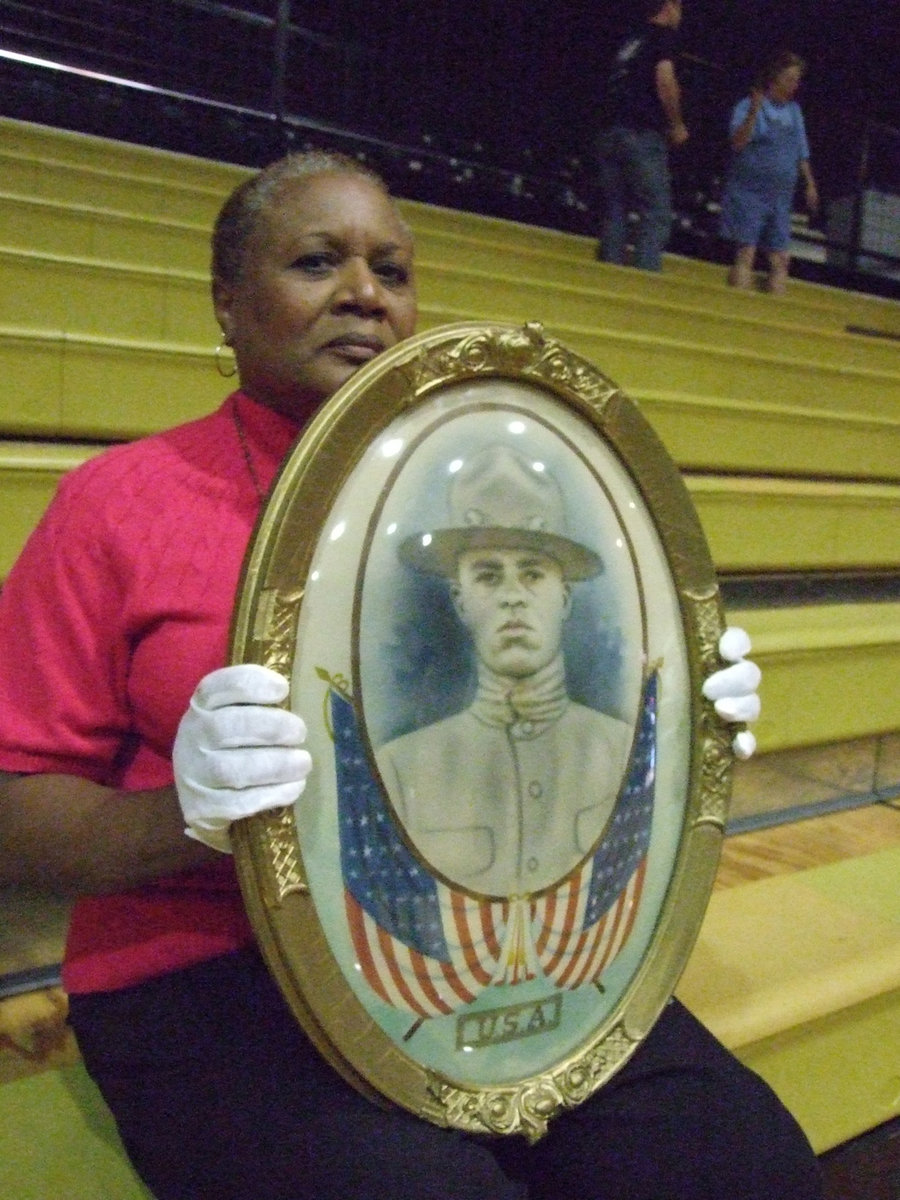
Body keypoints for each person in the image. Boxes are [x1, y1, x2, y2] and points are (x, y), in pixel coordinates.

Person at [0, 151, 823, 1199]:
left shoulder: (486, 509)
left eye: (392, 270)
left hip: (506, 962)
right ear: (226, 302)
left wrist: (673, 721)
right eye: (315, 262)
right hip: (206, 969)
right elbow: (12, 817)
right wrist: (190, 815)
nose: (364, 294)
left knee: (742, 1165)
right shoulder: (118, 503)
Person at [377, 444, 632, 896]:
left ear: (565, 598)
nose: (513, 597)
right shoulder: (399, 768)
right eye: (489, 577)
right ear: (460, 600)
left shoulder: (622, 749)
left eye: (532, 574)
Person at [595, 0, 689, 271]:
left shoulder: (632, 38)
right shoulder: (664, 37)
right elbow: (665, 81)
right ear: (669, 7)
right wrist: (676, 124)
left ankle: (608, 277)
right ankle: (642, 283)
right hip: (641, 132)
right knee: (656, 212)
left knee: (616, 210)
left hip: (610, 129)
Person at [719, 51, 819, 293]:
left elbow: (801, 151)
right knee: (747, 253)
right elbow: (738, 143)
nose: (794, 85)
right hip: (749, 192)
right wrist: (753, 111)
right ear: (775, 77)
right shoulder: (748, 105)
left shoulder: (794, 112)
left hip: (780, 197)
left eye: (797, 80)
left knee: (781, 259)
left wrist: (810, 183)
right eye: (789, 79)